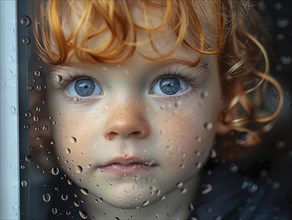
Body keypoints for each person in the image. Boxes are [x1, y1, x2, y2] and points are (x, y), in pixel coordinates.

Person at [28, 0, 291, 219]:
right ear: (42, 106)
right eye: (84, 86)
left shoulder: (259, 211)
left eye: (169, 85)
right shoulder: (27, 206)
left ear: (227, 101)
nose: (124, 123)